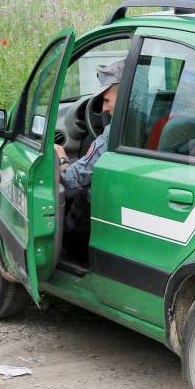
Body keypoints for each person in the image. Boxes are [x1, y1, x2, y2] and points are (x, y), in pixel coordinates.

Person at [53, 59, 124, 261]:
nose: (104, 110)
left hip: (106, 201)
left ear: (125, 96)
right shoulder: (149, 117)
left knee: (80, 196)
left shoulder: (113, 135)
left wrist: (61, 157)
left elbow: (70, 179)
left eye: (107, 100)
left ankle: (75, 263)